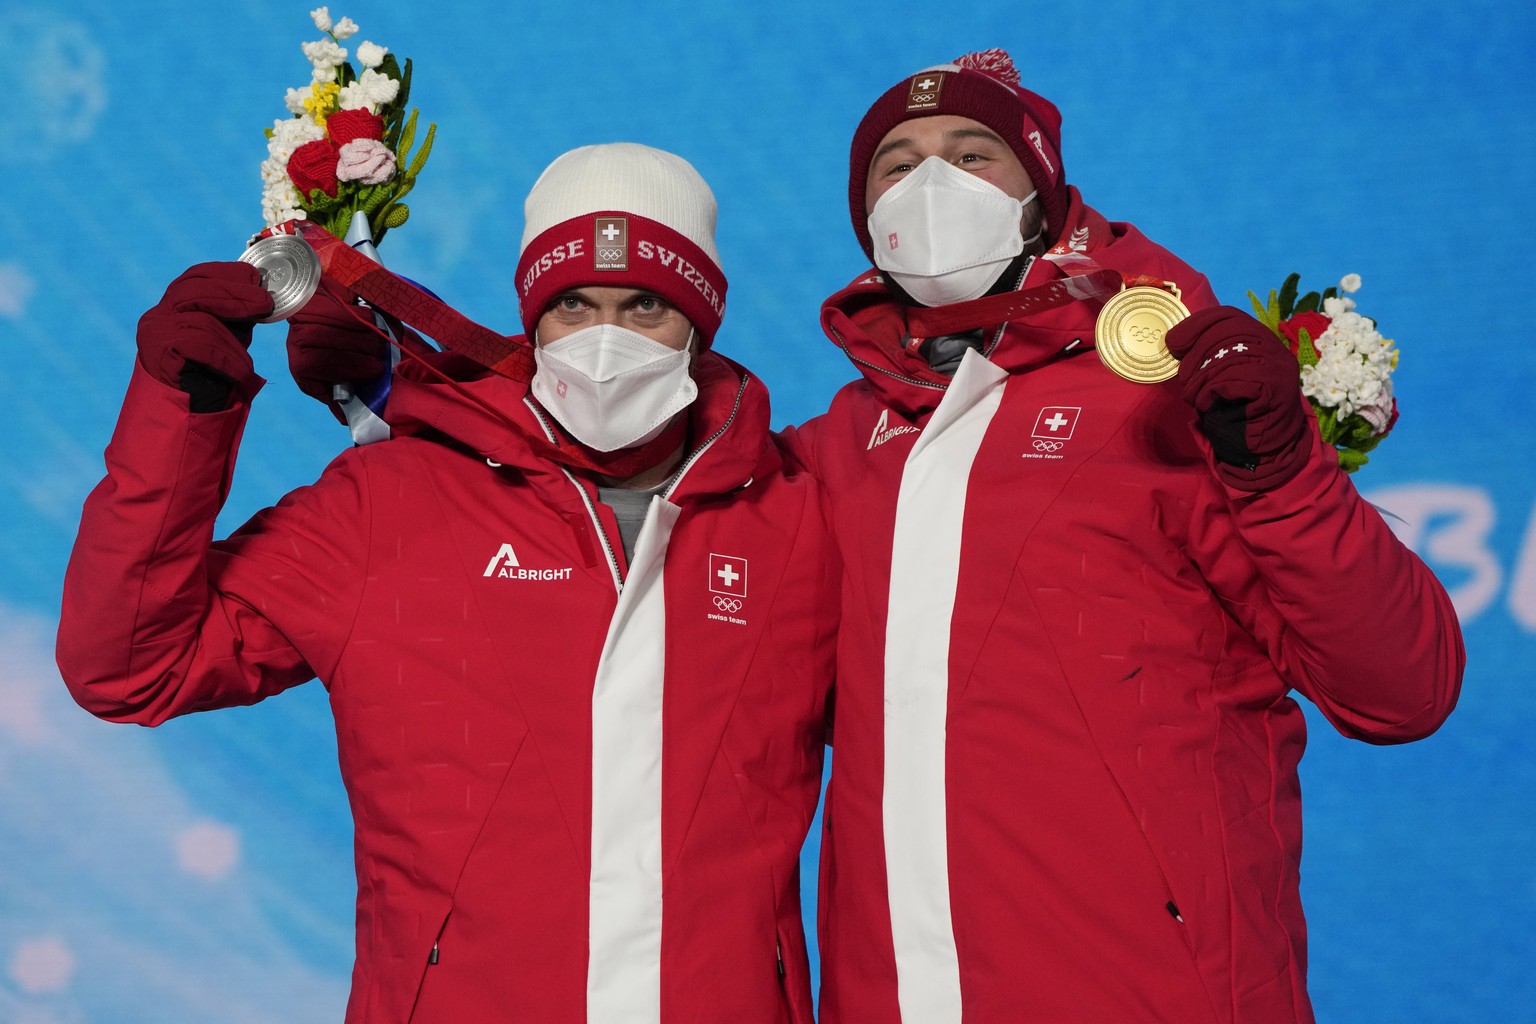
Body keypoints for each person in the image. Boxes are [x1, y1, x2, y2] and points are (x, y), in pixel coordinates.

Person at [56, 143, 835, 1024]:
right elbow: (128, 667)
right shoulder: (390, 507)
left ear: (700, 326)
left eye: (645, 306)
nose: (605, 340)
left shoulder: (799, 519)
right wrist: (185, 410)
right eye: (573, 304)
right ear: (531, 320)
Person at [776, 49, 1465, 1023]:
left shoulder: (1173, 393)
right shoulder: (839, 448)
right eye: (898, 164)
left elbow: (1404, 689)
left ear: (1043, 196)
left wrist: (1281, 470)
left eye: (973, 152)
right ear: (866, 217)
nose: (933, 183)